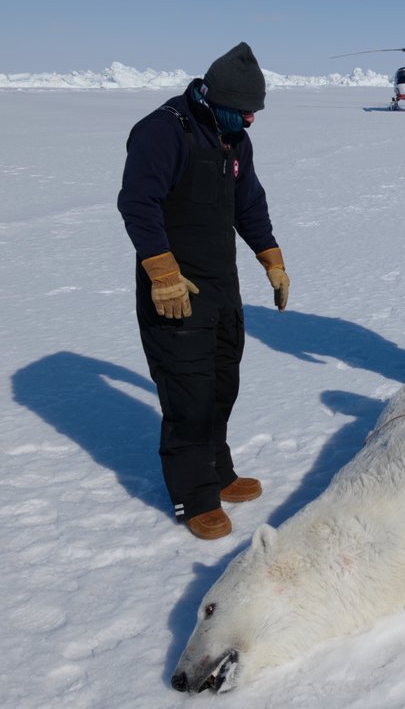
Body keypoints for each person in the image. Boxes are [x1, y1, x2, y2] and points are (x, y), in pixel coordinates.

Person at [117, 42, 290, 541]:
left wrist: (270, 257)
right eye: (244, 111)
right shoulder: (164, 130)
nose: (252, 121)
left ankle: (218, 471)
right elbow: (138, 203)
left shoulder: (233, 137)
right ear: (213, 97)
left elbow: (248, 203)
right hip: (175, 287)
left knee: (220, 383)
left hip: (220, 283)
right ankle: (193, 496)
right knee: (187, 392)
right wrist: (162, 273)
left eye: (255, 112)